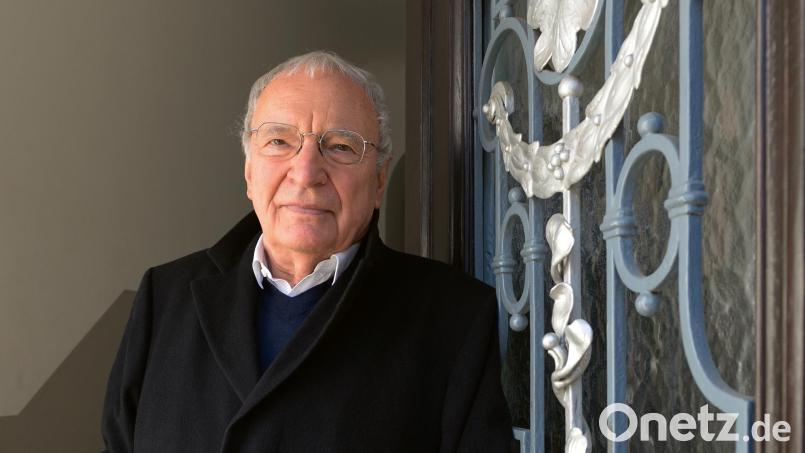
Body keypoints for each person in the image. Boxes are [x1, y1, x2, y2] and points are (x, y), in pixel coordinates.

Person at [101, 50, 513, 452]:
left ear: (380, 182)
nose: (306, 172)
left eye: (340, 146)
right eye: (279, 141)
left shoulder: (454, 319)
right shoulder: (164, 299)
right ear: (249, 172)